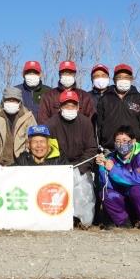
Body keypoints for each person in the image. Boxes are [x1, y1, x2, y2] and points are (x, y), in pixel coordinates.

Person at [45, 89, 98, 225]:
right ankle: (57, 219)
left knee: (84, 189)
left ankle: (82, 220)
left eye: (73, 105)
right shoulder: (51, 124)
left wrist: (80, 168)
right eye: (66, 105)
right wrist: (63, 169)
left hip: (81, 165)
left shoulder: (86, 123)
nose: (70, 108)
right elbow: (51, 151)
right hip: (59, 167)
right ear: (60, 107)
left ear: (78, 107)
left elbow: (91, 148)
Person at [97, 125, 140, 228]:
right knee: (105, 193)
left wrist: (113, 169)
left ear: (133, 141)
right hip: (126, 198)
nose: (121, 144)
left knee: (135, 189)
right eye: (118, 141)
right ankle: (124, 223)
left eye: (124, 141)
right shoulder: (111, 158)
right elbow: (106, 185)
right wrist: (102, 167)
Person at [95, 63, 140, 147]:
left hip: (134, 148)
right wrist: (100, 147)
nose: (123, 80)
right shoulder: (104, 99)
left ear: (131, 79)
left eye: (126, 77)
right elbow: (98, 127)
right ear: (114, 80)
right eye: (119, 77)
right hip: (109, 149)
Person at [0, 86, 37, 166]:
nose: (11, 102)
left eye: (14, 100)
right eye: (8, 100)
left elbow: (32, 141)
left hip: (22, 163)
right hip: (0, 163)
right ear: (3, 101)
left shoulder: (28, 117)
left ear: (20, 102)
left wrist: (27, 162)